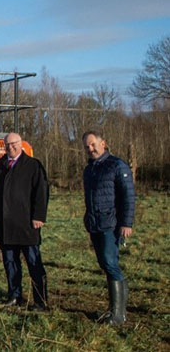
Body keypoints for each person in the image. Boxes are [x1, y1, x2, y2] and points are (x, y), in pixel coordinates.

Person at [0, 132, 49, 311]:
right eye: (7, 145)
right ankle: (15, 296)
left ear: (21, 144)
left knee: (33, 262)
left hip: (27, 224)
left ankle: (40, 300)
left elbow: (42, 192)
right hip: (6, 224)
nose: (10, 147)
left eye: (14, 144)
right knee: (10, 263)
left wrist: (39, 216)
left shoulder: (33, 166)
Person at [82, 130, 135, 325]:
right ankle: (113, 310)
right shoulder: (90, 169)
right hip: (95, 224)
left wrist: (126, 223)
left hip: (111, 224)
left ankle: (119, 315)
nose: (90, 149)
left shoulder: (117, 166)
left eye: (93, 144)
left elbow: (128, 196)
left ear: (103, 143)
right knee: (105, 264)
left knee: (110, 263)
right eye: (87, 146)